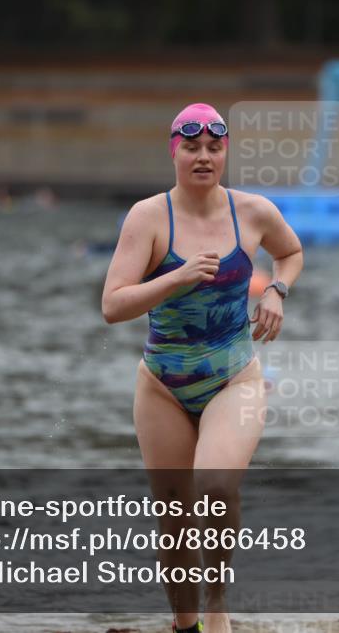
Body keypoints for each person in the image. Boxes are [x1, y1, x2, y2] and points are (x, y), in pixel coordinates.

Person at [101, 103, 303, 633]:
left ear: (225, 152)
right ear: (175, 152)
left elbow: (291, 252)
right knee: (174, 516)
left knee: (214, 485)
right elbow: (113, 305)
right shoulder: (148, 217)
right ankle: (184, 623)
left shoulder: (253, 211)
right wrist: (177, 277)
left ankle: (218, 604)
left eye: (214, 147)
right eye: (191, 147)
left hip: (233, 378)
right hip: (161, 385)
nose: (203, 157)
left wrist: (278, 291)